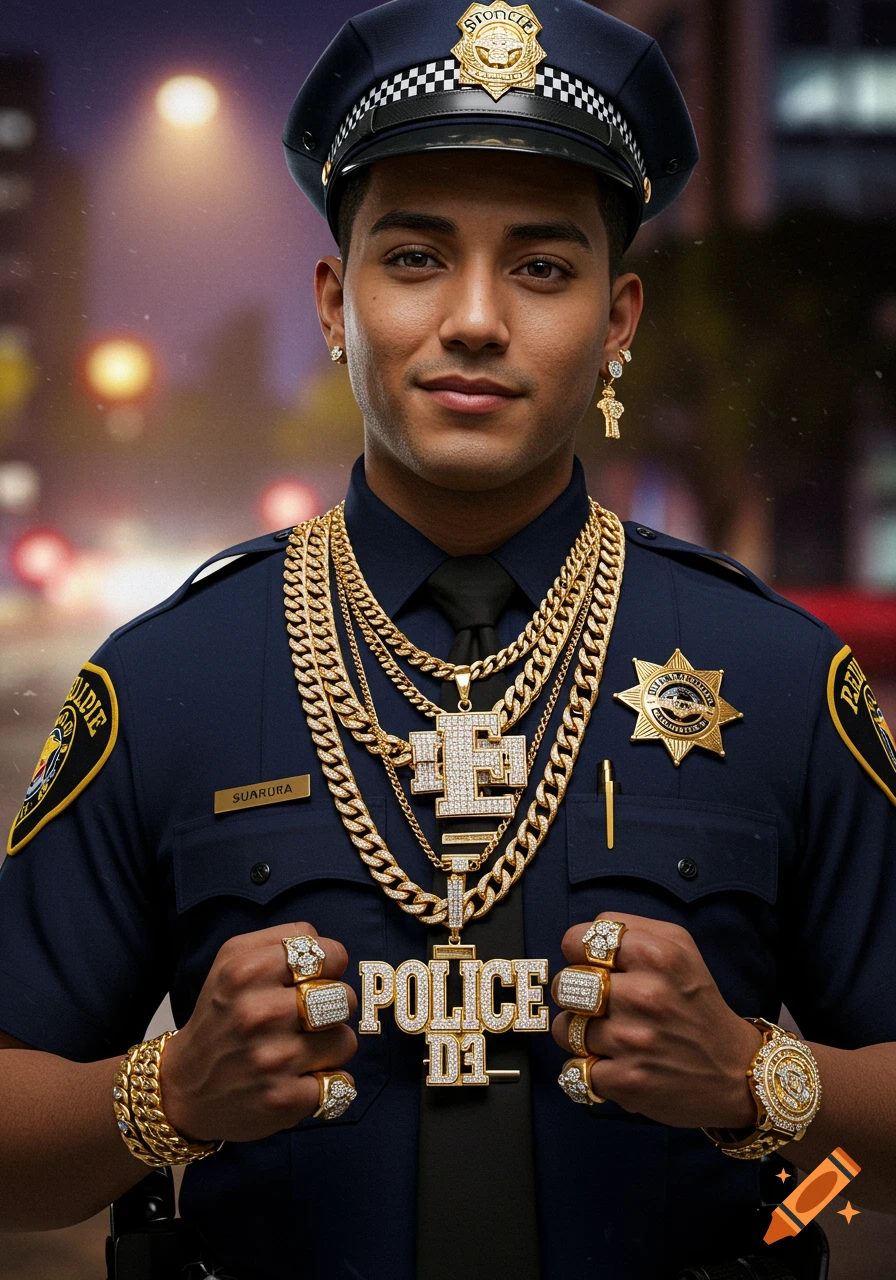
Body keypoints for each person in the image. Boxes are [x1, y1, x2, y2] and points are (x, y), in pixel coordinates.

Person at [1, 2, 895, 1278]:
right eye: (414, 257)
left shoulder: (777, 677)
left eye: (539, 266)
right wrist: (169, 1092)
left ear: (619, 317)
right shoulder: (162, 683)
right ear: (332, 299)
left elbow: (870, 1158)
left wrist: (765, 1082)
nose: (474, 318)